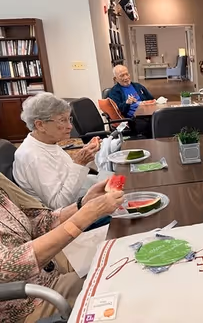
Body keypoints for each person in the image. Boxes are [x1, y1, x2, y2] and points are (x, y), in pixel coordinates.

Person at [0, 173, 124, 323]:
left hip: (49, 271)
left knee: (120, 255)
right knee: (116, 287)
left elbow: (35, 223)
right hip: (28, 303)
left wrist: (82, 204)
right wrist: (83, 218)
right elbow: (6, 268)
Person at [14, 93, 101, 210]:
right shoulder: (33, 157)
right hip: (72, 213)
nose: (70, 126)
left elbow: (66, 173)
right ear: (40, 125)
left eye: (69, 119)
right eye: (62, 120)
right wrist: (80, 163)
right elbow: (58, 205)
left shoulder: (48, 142)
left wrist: (86, 155)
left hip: (81, 194)